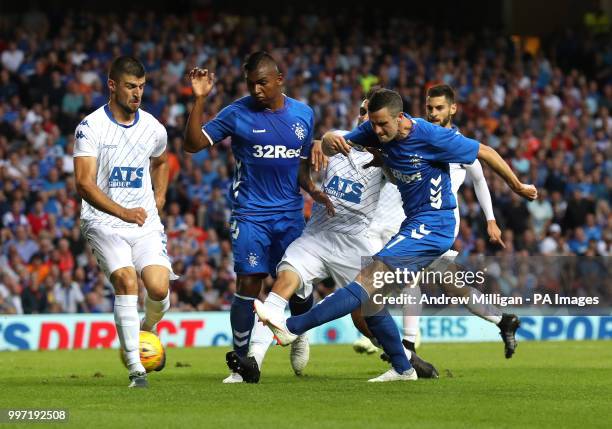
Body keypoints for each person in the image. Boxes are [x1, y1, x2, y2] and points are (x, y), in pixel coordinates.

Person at [255, 88, 537, 382]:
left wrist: (517, 187)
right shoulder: (374, 130)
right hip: (411, 223)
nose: (376, 131)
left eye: (382, 125)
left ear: (400, 118)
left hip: (435, 225)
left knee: (368, 281)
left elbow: (486, 153)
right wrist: (323, 140)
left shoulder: (431, 135)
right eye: (373, 125)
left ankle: (292, 327)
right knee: (372, 301)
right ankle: (404, 368)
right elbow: (334, 144)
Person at [226, 95, 438, 383]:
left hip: (354, 241)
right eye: (362, 110)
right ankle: (252, 364)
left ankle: (405, 361)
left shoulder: (388, 155)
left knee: (369, 314)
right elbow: (322, 145)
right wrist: (321, 143)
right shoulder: (339, 138)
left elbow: (410, 174)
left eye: (371, 114)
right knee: (282, 285)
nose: (364, 116)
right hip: (317, 236)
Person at [184, 51, 332, 383]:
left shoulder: (303, 114)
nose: (256, 90)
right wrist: (200, 99)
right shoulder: (236, 113)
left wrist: (313, 190)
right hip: (250, 214)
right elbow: (193, 144)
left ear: (280, 80)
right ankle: (240, 361)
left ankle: (300, 333)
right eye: (251, 84)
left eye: (262, 83)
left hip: (291, 213)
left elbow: (300, 166)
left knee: (298, 284)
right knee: (249, 282)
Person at [355, 84, 520, 359]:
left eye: (439, 108)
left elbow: (479, 179)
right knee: (452, 284)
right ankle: (502, 320)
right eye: (430, 108)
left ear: (453, 109)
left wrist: (490, 219)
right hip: (407, 217)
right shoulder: (415, 137)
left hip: (436, 221)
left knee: (406, 278)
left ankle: (406, 345)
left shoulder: (454, 143)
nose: (433, 113)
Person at [73, 56, 175, 388]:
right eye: (131, 87)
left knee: (158, 288)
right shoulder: (90, 128)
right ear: (112, 85)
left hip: (144, 223)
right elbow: (84, 184)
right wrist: (122, 212)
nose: (137, 94)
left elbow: (161, 161)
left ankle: (146, 327)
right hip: (102, 223)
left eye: (142, 87)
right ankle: (136, 369)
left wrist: (159, 196)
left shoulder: (153, 127)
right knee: (126, 281)